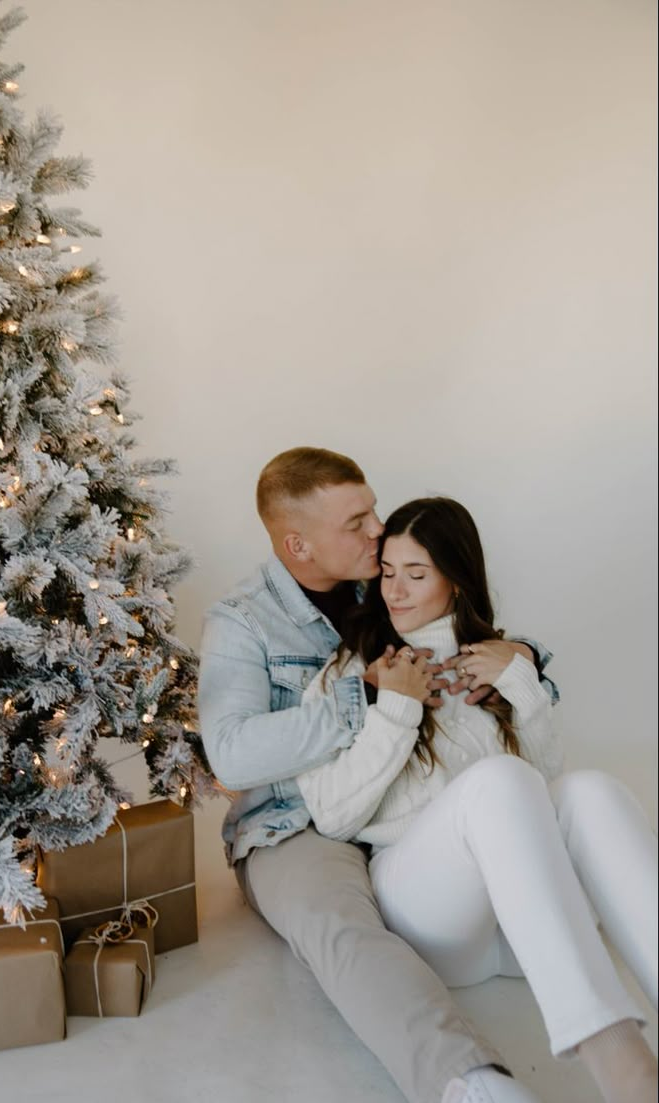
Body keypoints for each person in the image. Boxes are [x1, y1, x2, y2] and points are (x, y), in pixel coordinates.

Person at [199, 446, 557, 1103]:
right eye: (357, 521)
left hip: (401, 812)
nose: (377, 531)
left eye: (373, 511)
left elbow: (459, 614)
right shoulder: (241, 622)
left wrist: (522, 655)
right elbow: (230, 753)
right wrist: (360, 695)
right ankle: (468, 1082)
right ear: (298, 544)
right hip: (296, 826)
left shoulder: (380, 580)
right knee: (344, 931)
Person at [294, 495, 658, 1103]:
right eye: (387, 573)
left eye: (417, 574)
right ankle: (624, 1067)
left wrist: (523, 685)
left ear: (457, 584)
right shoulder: (350, 673)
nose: (396, 592)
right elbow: (333, 816)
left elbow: (547, 793)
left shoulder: (499, 659)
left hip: (530, 923)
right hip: (432, 915)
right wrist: (399, 706)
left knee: (591, 791)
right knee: (501, 781)